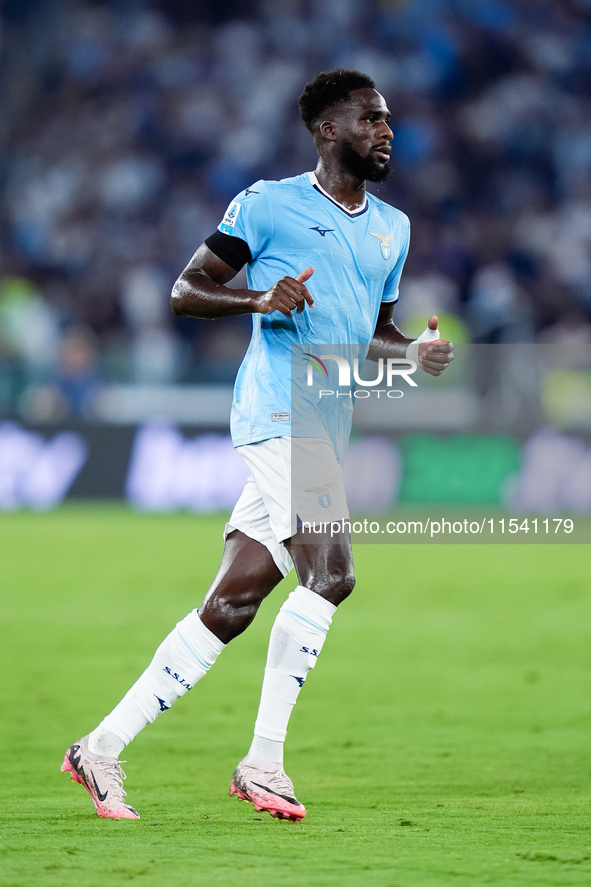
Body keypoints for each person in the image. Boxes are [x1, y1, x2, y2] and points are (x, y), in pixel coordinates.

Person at [61, 69, 454, 822]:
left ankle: (100, 746)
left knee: (233, 602)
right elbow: (184, 289)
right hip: (280, 412)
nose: (386, 130)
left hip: (325, 425)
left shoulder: (391, 229)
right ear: (327, 129)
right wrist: (256, 297)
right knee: (331, 575)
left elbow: (372, 332)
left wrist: (411, 355)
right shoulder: (268, 204)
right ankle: (263, 761)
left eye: (388, 119)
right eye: (370, 118)